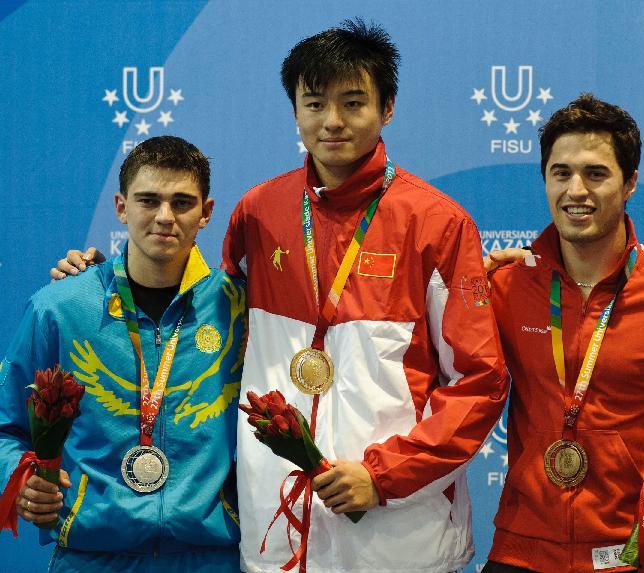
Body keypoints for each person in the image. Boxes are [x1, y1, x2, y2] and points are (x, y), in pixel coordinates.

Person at [53, 20, 507, 573]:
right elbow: (195, 315)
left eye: (354, 102)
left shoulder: (438, 224)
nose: (332, 122)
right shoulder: (258, 213)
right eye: (314, 103)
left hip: (398, 534)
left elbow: (480, 382)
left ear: (387, 108)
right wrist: (102, 279)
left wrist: (384, 475)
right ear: (295, 110)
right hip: (275, 530)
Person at [483, 94, 644, 573]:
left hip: (635, 551)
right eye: (561, 173)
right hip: (522, 552)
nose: (576, 190)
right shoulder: (506, 286)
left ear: (630, 183)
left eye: (596, 173)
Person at [0, 135, 246, 572]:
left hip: (210, 558)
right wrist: (18, 477)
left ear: (207, 213)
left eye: (182, 202)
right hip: (91, 557)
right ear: (121, 206)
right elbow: (5, 425)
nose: (164, 217)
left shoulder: (240, 309)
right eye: (148, 200)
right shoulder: (60, 308)